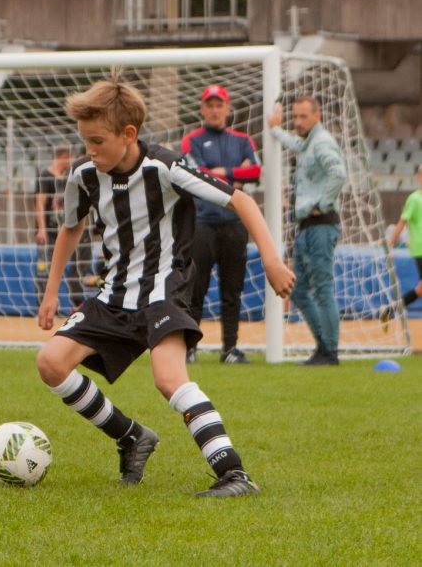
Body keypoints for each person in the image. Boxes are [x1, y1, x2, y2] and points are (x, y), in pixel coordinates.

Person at [36, 75, 295, 497]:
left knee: (168, 378)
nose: (90, 150)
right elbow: (70, 228)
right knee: (50, 363)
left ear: (129, 134)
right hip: (114, 293)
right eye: (85, 140)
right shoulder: (84, 175)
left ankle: (235, 474)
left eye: (98, 141)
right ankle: (132, 437)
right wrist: (51, 293)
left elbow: (241, 200)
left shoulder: (165, 168)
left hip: (163, 289)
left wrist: (270, 258)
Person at [181, 85, 261, 365]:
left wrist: (222, 173)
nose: (215, 110)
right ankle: (189, 347)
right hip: (202, 223)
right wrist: (233, 181)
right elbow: (195, 174)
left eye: (219, 105)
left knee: (232, 290)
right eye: (210, 105)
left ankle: (230, 348)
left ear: (228, 109)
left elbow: (255, 170)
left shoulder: (242, 140)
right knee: (195, 287)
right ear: (202, 109)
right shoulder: (192, 139)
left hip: (234, 224)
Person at [268, 97, 346, 366]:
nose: (298, 122)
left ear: (317, 115)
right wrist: (276, 130)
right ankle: (323, 346)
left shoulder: (322, 142)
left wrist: (321, 204)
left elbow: (338, 172)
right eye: (295, 117)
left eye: (303, 116)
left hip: (321, 225)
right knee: (298, 290)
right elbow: (297, 145)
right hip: (306, 226)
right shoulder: (310, 141)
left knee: (323, 287)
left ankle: (330, 351)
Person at [35, 143, 87, 308]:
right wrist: (42, 229)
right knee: (46, 267)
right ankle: (43, 303)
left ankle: (75, 303)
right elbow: (40, 203)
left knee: (75, 266)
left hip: (64, 229)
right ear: (63, 157)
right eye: (69, 157)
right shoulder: (45, 175)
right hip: (49, 231)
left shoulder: (66, 176)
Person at [381, 163, 422, 328]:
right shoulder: (414, 198)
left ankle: (390, 311)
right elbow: (402, 223)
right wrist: (390, 243)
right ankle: (390, 311)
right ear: (419, 178)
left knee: (420, 289)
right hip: (420, 249)